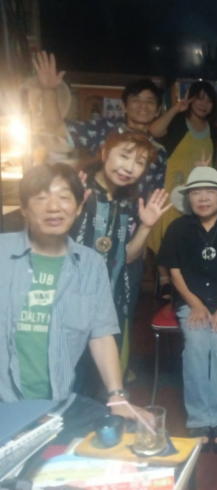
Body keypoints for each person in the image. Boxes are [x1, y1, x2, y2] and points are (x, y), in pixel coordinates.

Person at [0, 163, 143, 420]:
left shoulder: (90, 265)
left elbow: (101, 334)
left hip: (56, 405)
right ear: (24, 209)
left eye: (64, 197)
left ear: (78, 208)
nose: (53, 207)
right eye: (41, 198)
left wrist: (117, 395)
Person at [157, 166, 217, 452]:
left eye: (209, 192)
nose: (203, 198)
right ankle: (200, 418)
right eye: (196, 193)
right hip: (192, 301)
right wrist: (196, 304)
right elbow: (174, 272)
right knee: (197, 345)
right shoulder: (178, 229)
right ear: (188, 198)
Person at [70, 132, 170, 373]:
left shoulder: (128, 201)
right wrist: (70, 210)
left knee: (98, 372)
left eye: (139, 162)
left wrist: (146, 226)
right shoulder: (77, 187)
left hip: (109, 298)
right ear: (105, 153)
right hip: (71, 298)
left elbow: (128, 256)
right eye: (124, 156)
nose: (130, 168)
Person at [33, 51, 167, 199]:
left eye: (149, 101)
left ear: (158, 111)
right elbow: (56, 128)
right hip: (92, 208)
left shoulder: (159, 152)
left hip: (133, 214)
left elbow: (155, 195)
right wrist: (49, 90)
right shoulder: (103, 128)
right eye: (136, 100)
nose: (143, 106)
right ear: (124, 106)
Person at [147, 81, 217, 257]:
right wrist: (176, 108)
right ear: (191, 100)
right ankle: (163, 274)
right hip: (170, 193)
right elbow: (154, 131)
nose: (204, 104)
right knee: (165, 243)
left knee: (190, 245)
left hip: (197, 195)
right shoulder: (178, 122)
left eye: (209, 101)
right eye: (199, 98)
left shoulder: (213, 130)